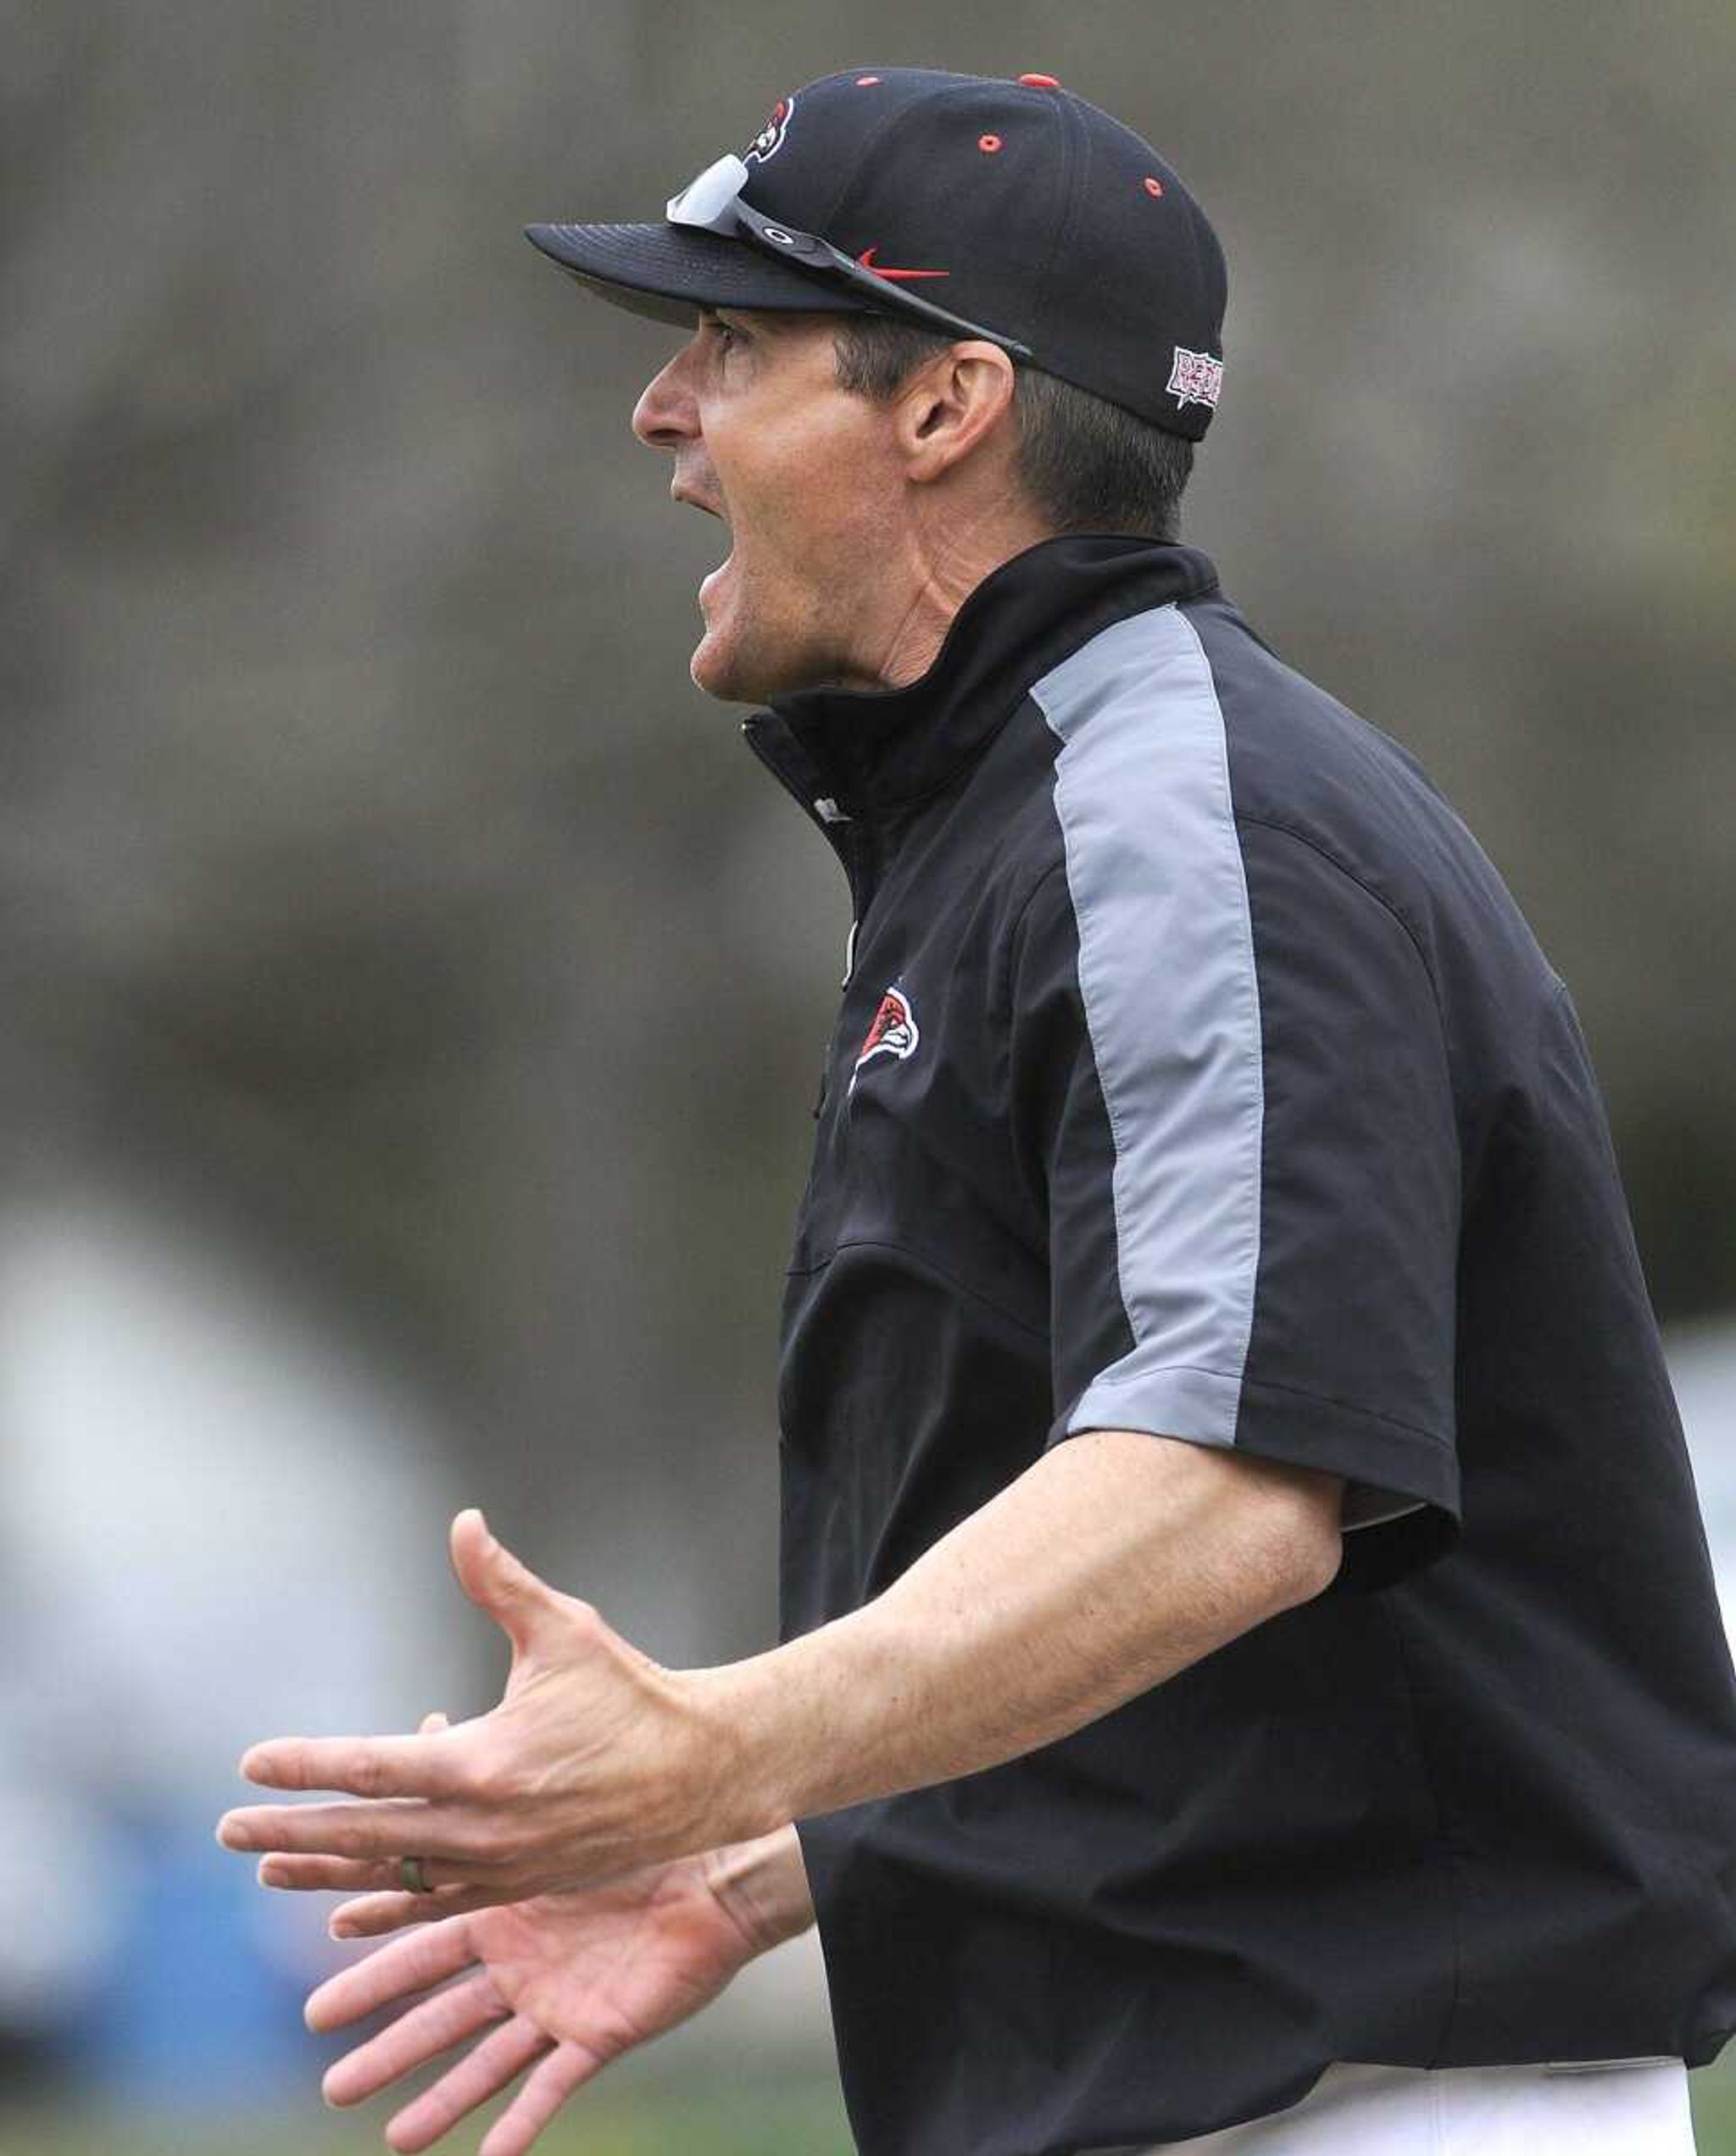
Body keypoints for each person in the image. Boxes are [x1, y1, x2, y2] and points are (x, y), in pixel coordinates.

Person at [216, 66, 1736, 2156]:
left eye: (731, 344)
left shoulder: (1177, 826)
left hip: (1363, 2114)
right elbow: (1166, 1625)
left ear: (944, 409)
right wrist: (770, 1864)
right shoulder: (1035, 822)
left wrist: (720, 1752)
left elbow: (1228, 1485)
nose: (666, 417)